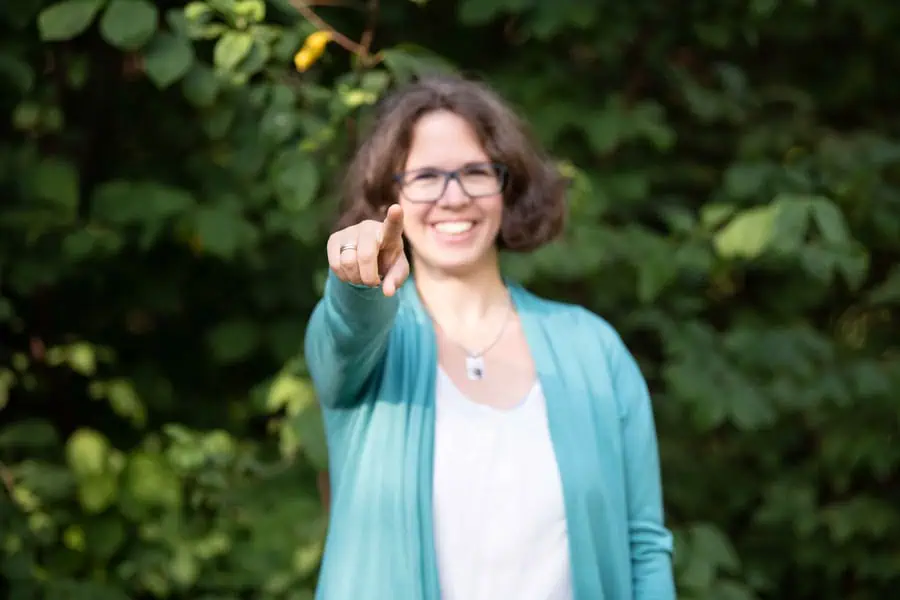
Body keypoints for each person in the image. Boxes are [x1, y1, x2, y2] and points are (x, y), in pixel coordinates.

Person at [304, 74, 675, 600]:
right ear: (392, 195)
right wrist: (357, 280)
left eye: (475, 172)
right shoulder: (373, 345)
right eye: (426, 177)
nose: (452, 198)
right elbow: (343, 331)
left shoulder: (593, 349)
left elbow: (643, 544)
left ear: (507, 186)